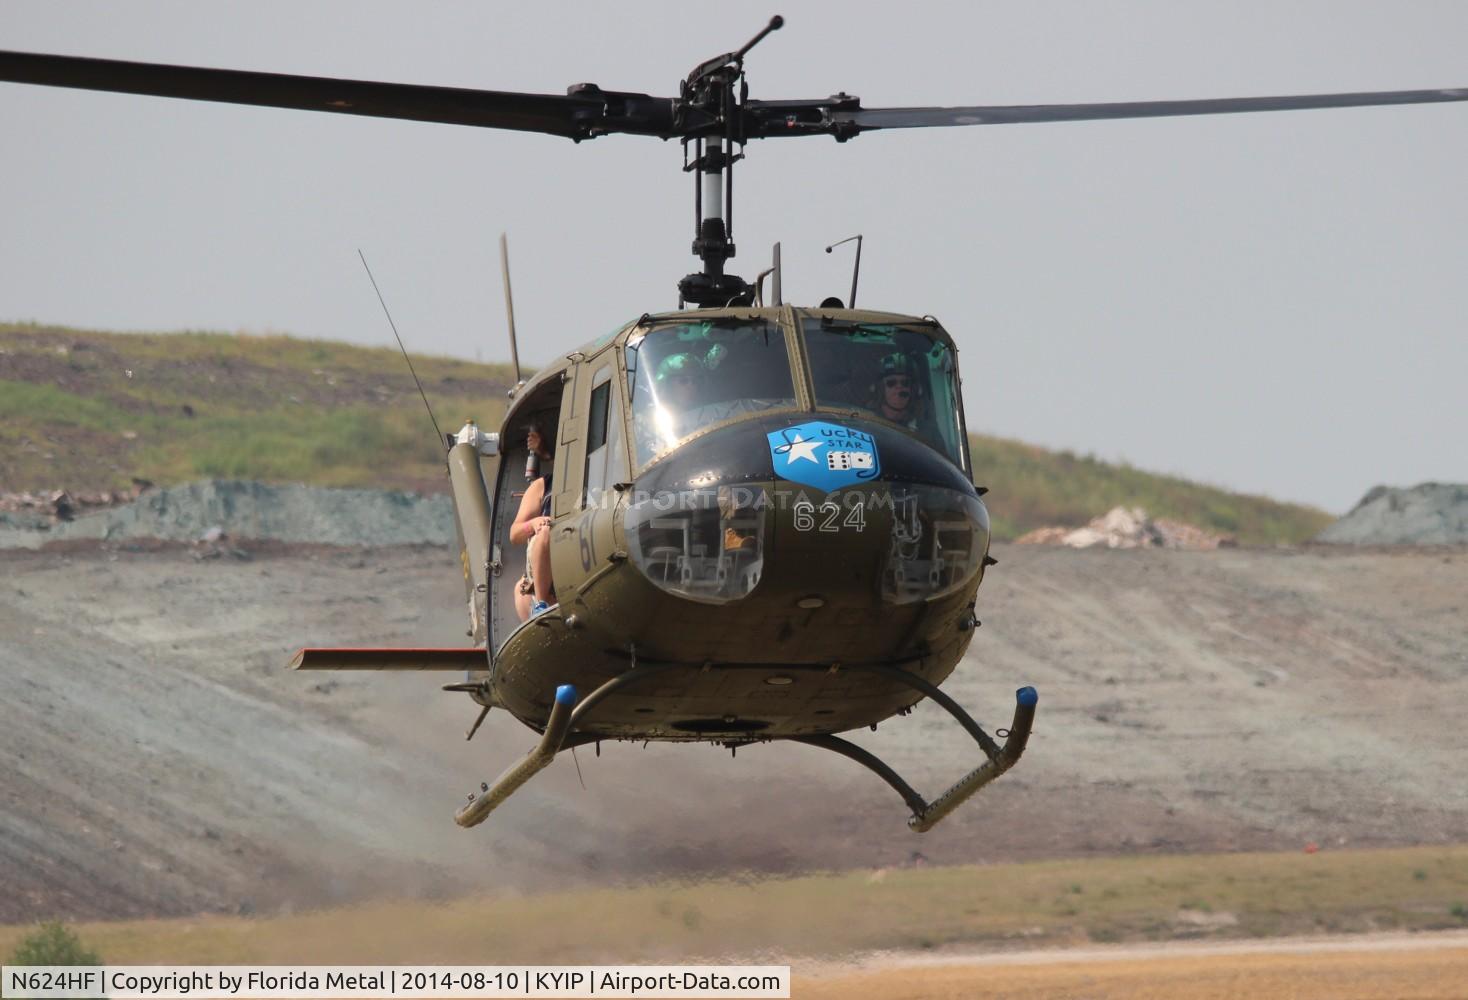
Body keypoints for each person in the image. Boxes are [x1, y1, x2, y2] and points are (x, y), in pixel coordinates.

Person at [511, 421, 555, 620]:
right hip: (550, 552)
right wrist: (535, 523)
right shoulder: (542, 486)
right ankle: (541, 601)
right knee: (545, 533)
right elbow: (515, 534)